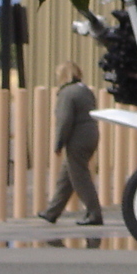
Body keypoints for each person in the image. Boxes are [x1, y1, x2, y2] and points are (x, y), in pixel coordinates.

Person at [41, 61, 103, 225]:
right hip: (92, 134)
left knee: (80, 177)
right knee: (67, 176)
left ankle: (94, 213)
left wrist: (59, 143)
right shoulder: (85, 90)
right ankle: (52, 211)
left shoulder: (67, 93)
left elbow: (64, 120)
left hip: (77, 138)